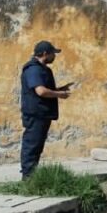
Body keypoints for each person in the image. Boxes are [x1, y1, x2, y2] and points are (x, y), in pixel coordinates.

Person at [19, 41, 70, 179]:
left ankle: (33, 177)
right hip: (35, 115)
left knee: (37, 146)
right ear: (45, 53)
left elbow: (43, 89)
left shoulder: (42, 69)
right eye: (53, 53)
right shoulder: (33, 69)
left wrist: (59, 89)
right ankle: (28, 178)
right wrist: (59, 94)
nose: (55, 56)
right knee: (32, 146)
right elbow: (41, 91)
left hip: (42, 114)